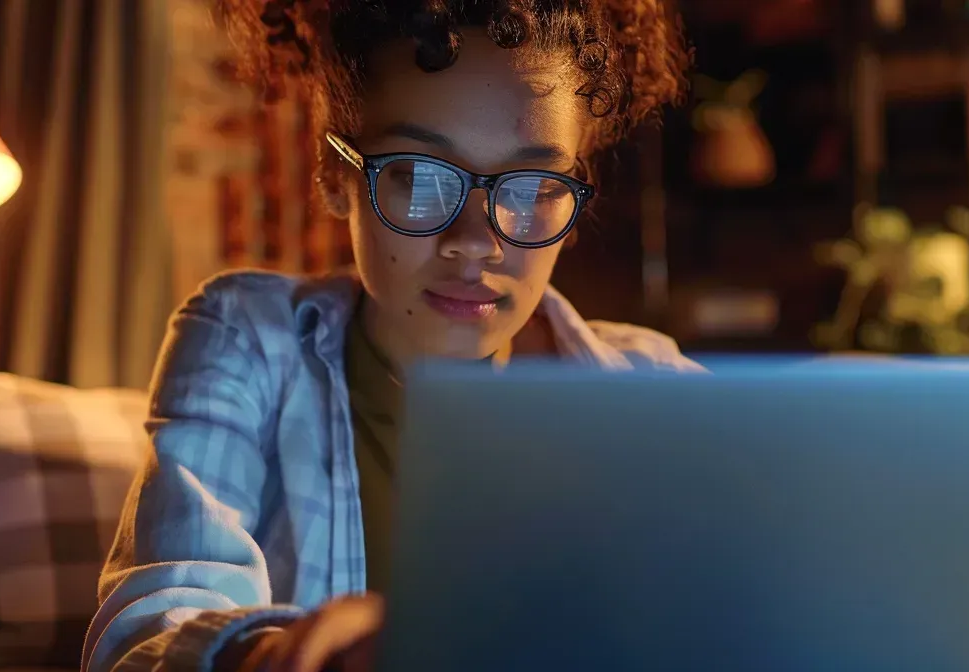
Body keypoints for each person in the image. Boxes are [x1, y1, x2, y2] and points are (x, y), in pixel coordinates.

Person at [82, 0, 696, 669]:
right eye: (421, 176)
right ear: (337, 176)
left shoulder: (658, 390)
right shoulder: (248, 341)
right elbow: (155, 623)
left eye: (529, 185)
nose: (474, 243)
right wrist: (279, 655)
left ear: (573, 202)